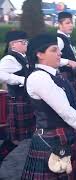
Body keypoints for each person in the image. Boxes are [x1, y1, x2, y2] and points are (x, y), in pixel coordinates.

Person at [21, 33, 76, 179]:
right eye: (54, 50)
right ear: (39, 54)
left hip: (64, 136)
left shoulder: (55, 75)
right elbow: (65, 110)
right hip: (51, 139)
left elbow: (73, 102)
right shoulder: (38, 77)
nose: (60, 53)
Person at [0, 30, 36, 167]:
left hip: (26, 101)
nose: (26, 44)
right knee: (14, 139)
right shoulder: (9, 58)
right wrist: (21, 79)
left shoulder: (23, 57)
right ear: (13, 44)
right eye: (23, 42)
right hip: (18, 102)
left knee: (28, 135)